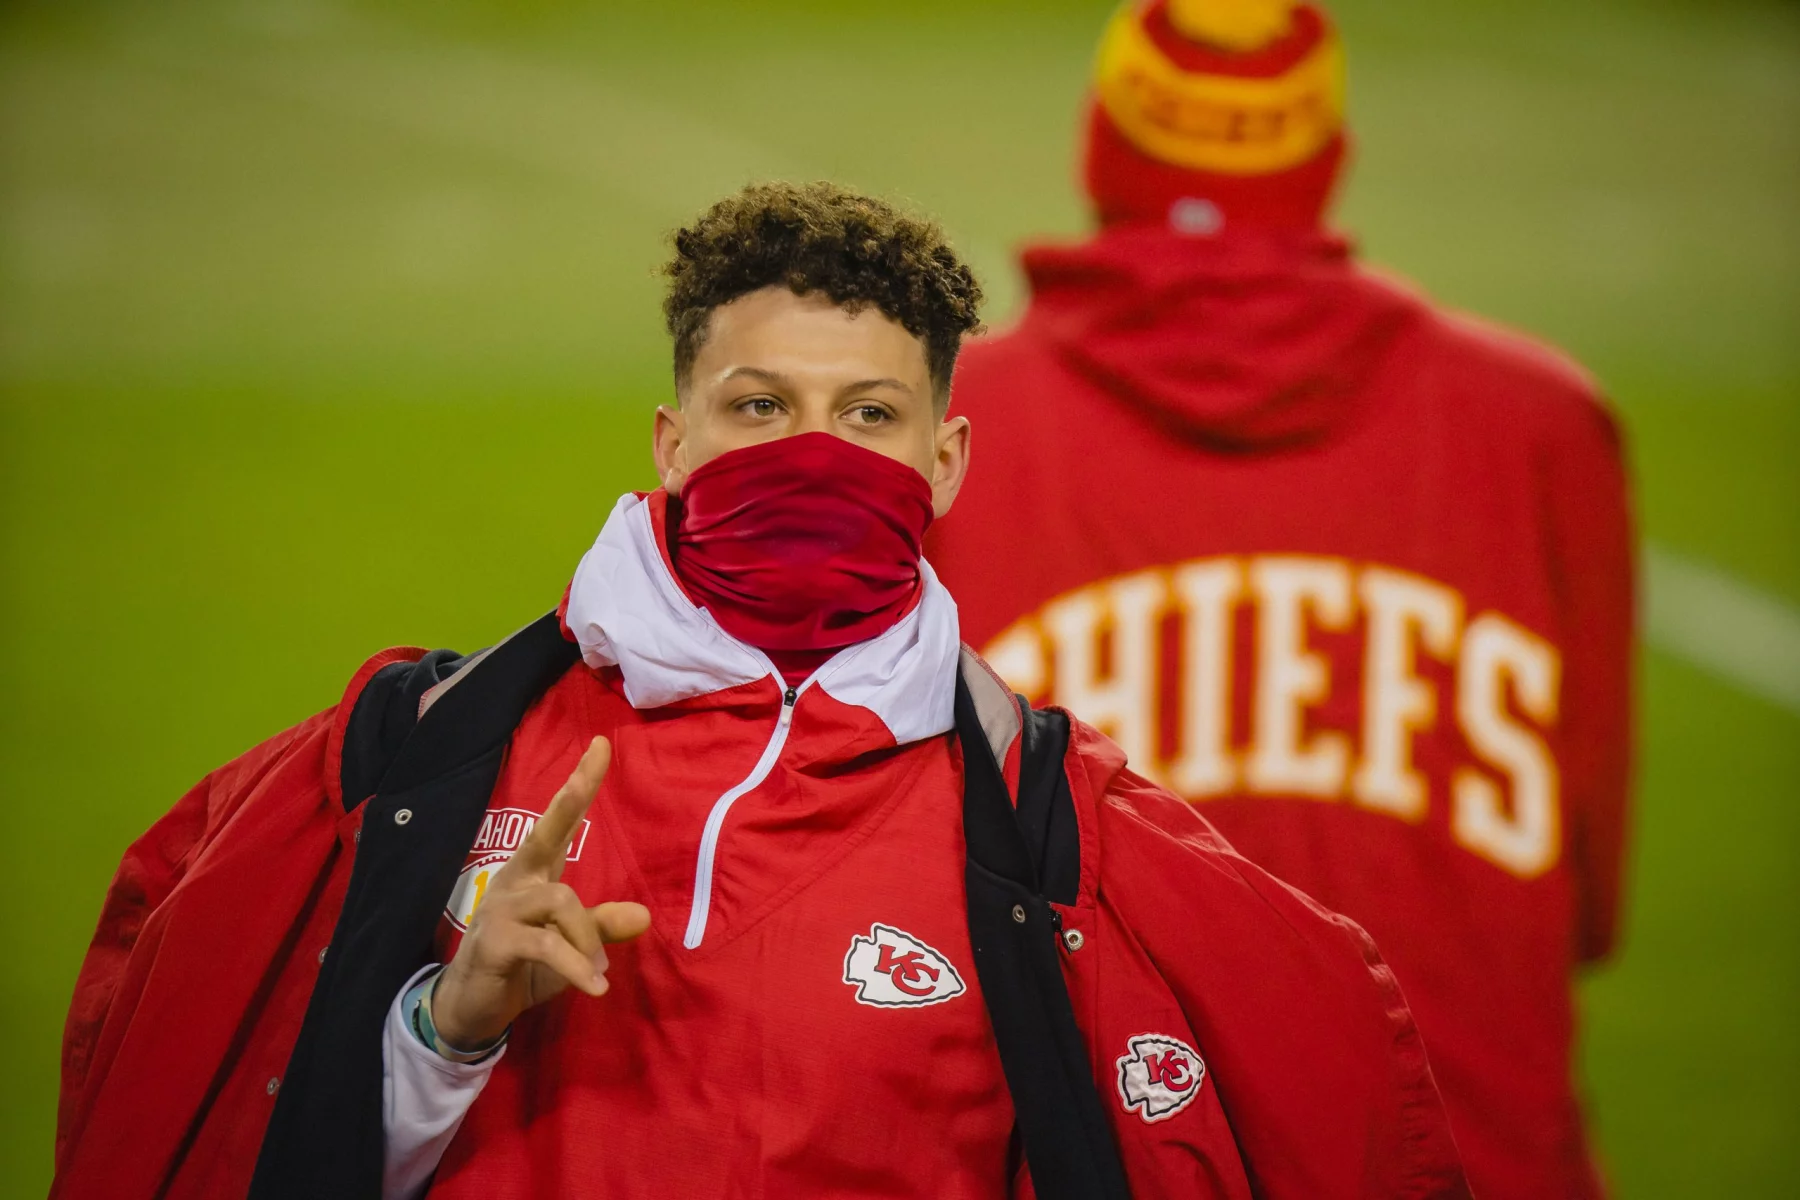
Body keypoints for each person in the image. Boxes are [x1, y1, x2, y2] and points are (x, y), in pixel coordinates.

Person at [53, 181, 1467, 1200]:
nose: (813, 454)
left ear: (946, 464)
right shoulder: (430, 752)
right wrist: (442, 1030)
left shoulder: (1053, 825)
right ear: (673, 442)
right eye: (760, 407)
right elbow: (210, 1124)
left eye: (869, 416)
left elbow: (1331, 1077)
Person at [926, 2, 1635, 1197]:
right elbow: (1591, 905)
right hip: (1476, 1164)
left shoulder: (946, 429)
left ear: (1105, 143)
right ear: (1326, 157)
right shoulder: (1543, 426)